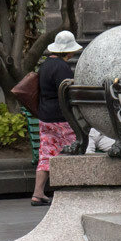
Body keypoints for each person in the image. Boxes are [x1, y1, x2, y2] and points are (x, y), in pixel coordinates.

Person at [31, 30, 82, 206]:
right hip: (61, 117)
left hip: (45, 116)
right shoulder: (62, 67)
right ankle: (75, 188)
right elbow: (66, 92)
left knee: (46, 153)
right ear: (68, 51)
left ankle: (38, 193)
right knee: (75, 146)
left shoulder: (45, 65)